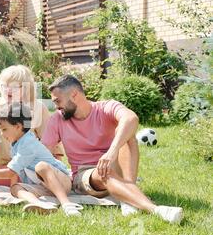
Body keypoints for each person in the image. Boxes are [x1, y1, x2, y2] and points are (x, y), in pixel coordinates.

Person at [42, 75, 184, 224]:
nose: (56, 106)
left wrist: (112, 151)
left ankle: (128, 196)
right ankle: (157, 210)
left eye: (58, 101)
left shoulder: (105, 107)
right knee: (104, 172)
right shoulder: (57, 119)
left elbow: (131, 118)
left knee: (128, 135)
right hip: (86, 174)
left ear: (74, 95)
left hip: (114, 164)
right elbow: (44, 150)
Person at [0, 102, 83, 216]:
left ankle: (67, 204)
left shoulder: (28, 143)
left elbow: (10, 172)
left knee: (41, 166)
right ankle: (38, 204)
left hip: (61, 182)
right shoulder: (16, 143)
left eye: (4, 129)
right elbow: (15, 172)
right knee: (15, 188)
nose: (2, 134)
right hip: (44, 186)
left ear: (18, 126)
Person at [0, 65, 64, 186]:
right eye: (3, 86)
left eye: (14, 87)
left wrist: (55, 175)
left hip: (31, 167)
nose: (7, 90)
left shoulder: (38, 108)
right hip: (5, 165)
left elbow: (52, 142)